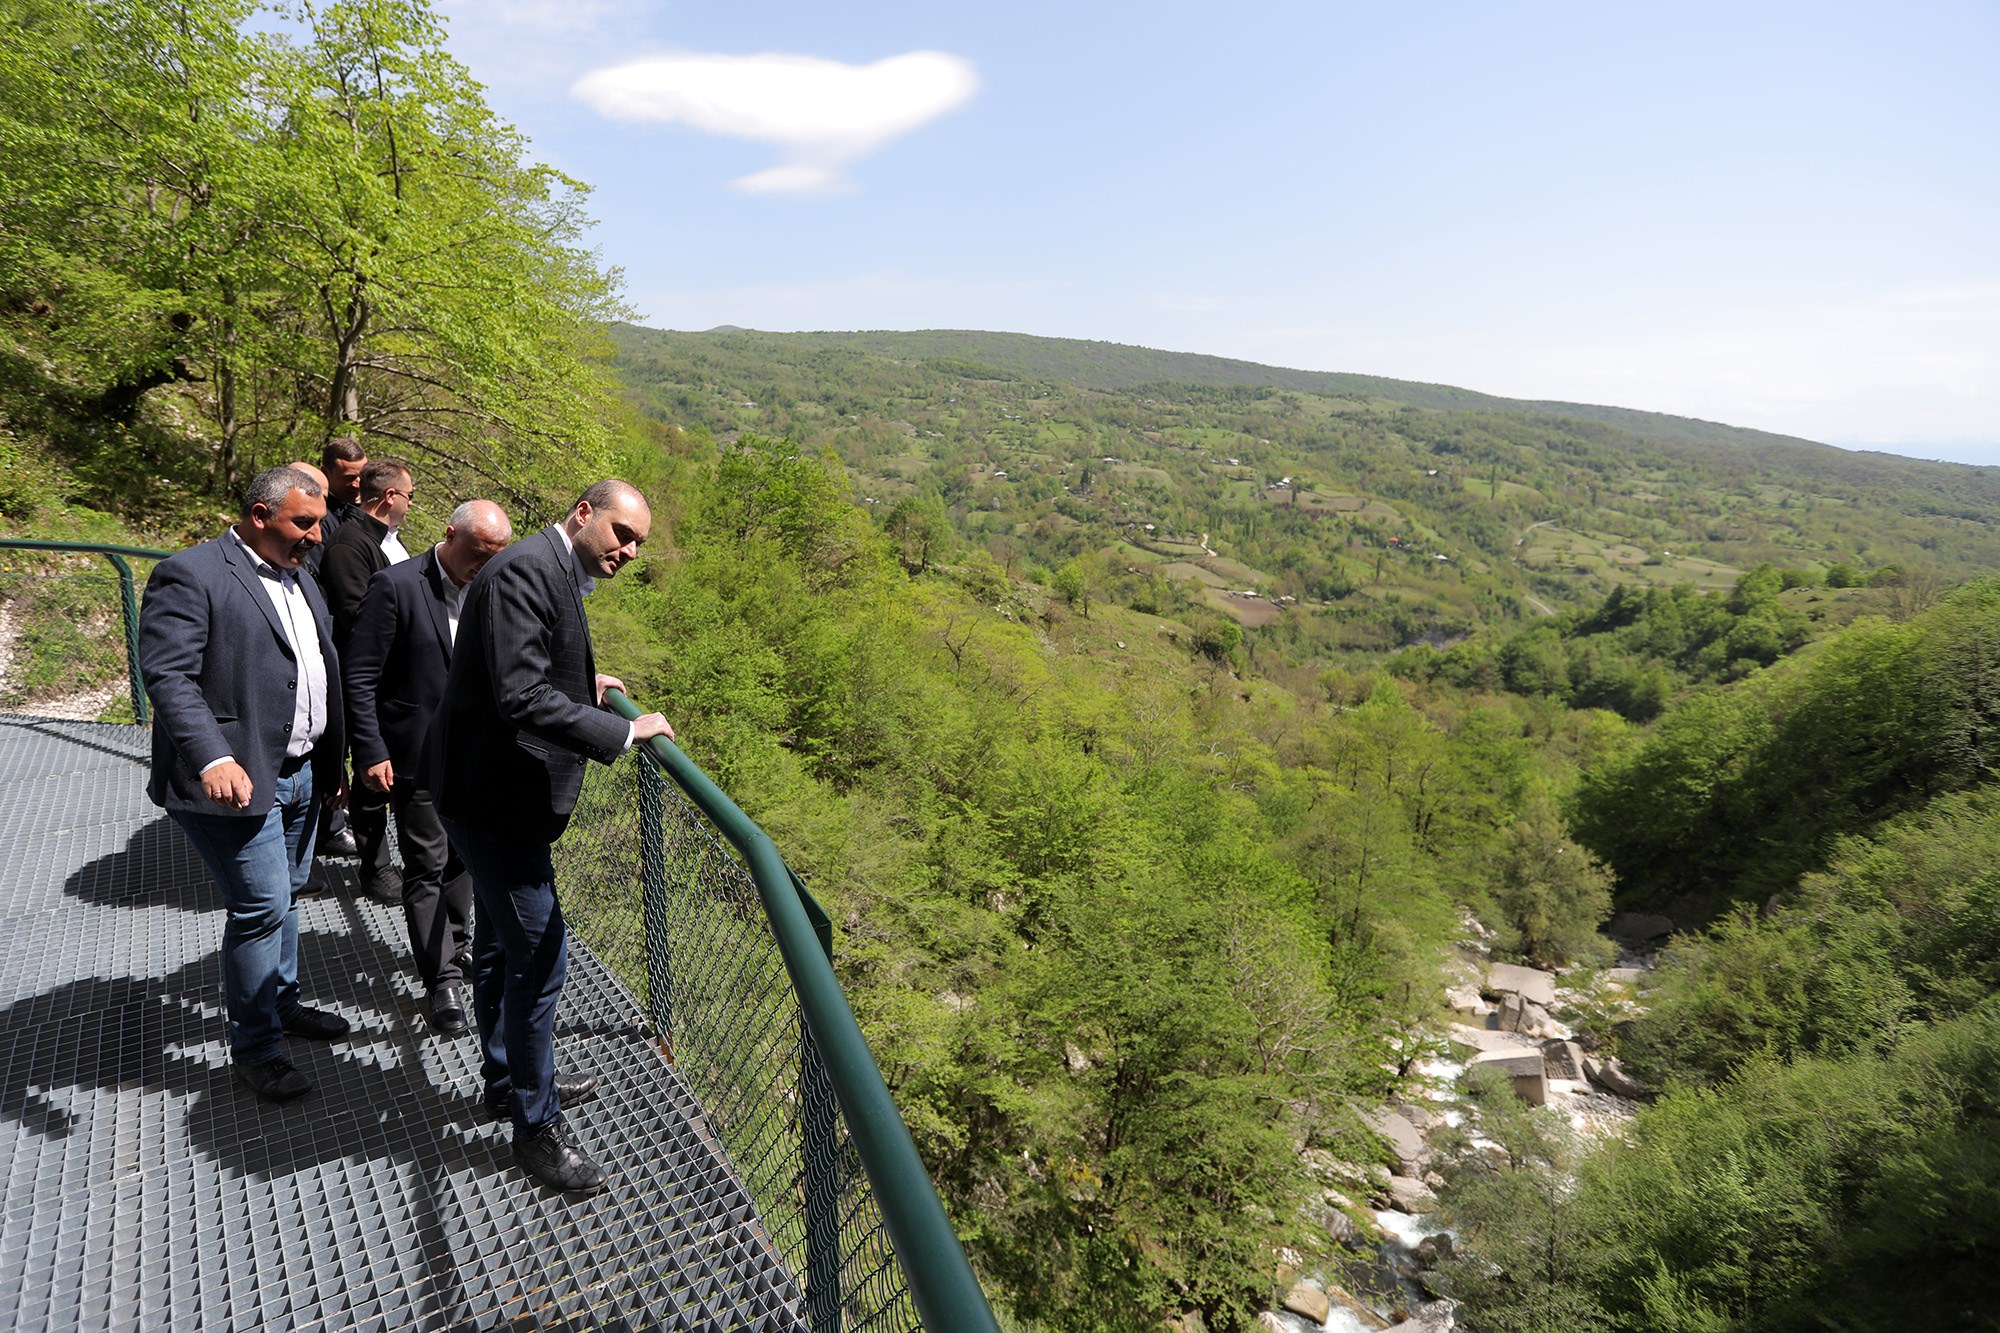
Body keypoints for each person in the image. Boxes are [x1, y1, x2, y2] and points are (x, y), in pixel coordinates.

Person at [433, 479, 672, 1193]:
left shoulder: (546, 565)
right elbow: (521, 695)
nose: (629, 550)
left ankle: (508, 1081)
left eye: (639, 543)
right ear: (583, 513)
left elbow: (525, 666)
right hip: (493, 804)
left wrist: (582, 682)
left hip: (489, 796)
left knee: (501, 947)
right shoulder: (528, 570)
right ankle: (536, 1130)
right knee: (540, 959)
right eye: (622, 533)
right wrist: (623, 731)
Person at [139, 465, 353, 1102]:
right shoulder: (191, 573)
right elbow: (169, 677)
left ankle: (281, 1005)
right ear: (260, 516)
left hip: (301, 772)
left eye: (319, 523)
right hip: (233, 779)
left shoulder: (300, 573)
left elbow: (316, 668)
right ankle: (258, 1050)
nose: (317, 536)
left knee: (285, 896)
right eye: (304, 523)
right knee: (261, 907)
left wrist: (331, 764)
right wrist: (212, 758)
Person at [343, 500, 512, 1037]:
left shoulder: (493, 587)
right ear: (450, 535)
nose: (484, 565)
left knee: (462, 862)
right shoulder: (395, 586)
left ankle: (457, 949)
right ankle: (441, 981)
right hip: (415, 757)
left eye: (495, 556)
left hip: (476, 757)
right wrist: (370, 750)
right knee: (427, 867)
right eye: (478, 553)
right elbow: (360, 676)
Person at [322, 457, 416, 901]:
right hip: (369, 679)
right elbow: (357, 615)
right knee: (371, 773)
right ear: (390, 496)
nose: (412, 504)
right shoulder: (350, 544)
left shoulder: (387, 540)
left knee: (393, 771)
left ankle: (399, 862)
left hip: (398, 679)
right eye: (410, 496)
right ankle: (375, 869)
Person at [306, 438, 369, 857]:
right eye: (349, 477)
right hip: (329, 641)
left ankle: (328, 821)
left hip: (340, 643)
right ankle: (324, 828)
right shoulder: (320, 519)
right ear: (328, 472)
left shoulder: (352, 511)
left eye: (362, 475)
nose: (358, 483)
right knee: (327, 737)